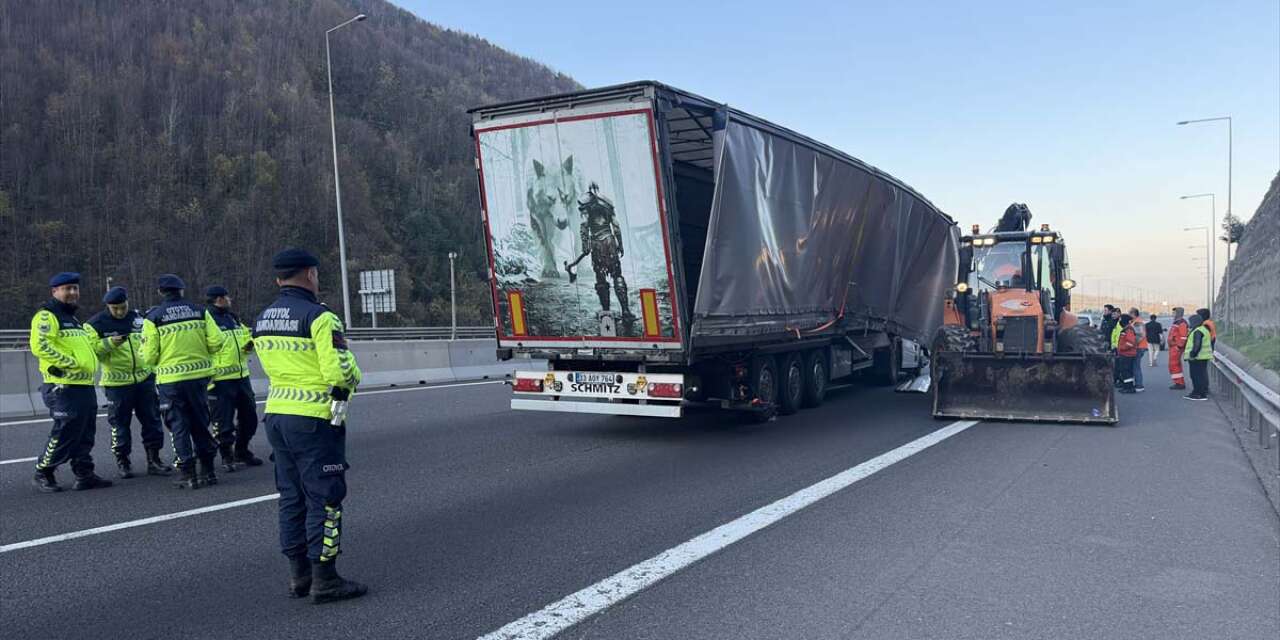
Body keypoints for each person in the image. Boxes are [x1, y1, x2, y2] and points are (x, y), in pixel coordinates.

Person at [253, 248, 367, 603]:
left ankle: (298, 576)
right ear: (310, 274)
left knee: (291, 496)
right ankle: (326, 579)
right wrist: (353, 378)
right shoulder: (321, 318)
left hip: (276, 416)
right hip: (315, 419)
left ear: (278, 279)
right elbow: (339, 371)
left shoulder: (262, 318)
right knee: (326, 498)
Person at [29, 272, 112, 492]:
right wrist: (71, 364)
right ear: (54, 291)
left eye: (75, 288)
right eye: (67, 288)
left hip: (83, 385)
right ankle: (43, 471)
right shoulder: (47, 316)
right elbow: (41, 346)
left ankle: (84, 473)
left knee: (85, 431)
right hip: (62, 386)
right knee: (65, 431)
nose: (73, 292)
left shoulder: (74, 320)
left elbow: (87, 351)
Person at [140, 274, 225, 489]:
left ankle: (188, 473)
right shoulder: (200, 311)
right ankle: (209, 471)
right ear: (182, 290)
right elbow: (217, 341)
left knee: (179, 426)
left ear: (161, 292)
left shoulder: (154, 317)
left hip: (171, 381)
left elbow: (148, 355)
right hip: (199, 379)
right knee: (200, 424)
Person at [85, 286, 172, 478]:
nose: (119, 311)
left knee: (152, 420)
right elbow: (89, 352)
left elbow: (152, 341)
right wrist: (108, 344)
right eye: (115, 308)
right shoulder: (95, 324)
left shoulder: (139, 319)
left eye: (122, 307)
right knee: (119, 425)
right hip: (117, 384)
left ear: (128, 302)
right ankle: (123, 461)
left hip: (144, 379)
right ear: (108, 306)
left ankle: (154, 459)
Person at [206, 285, 263, 469]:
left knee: (249, 417)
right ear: (218, 299)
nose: (229, 300)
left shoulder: (233, 318)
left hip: (241, 375)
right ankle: (226, 455)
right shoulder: (208, 320)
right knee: (223, 421)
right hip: (220, 380)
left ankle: (241, 450)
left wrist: (250, 344)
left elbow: (246, 335)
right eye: (226, 297)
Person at [1183, 314, 1213, 401]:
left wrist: (1192, 355)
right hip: (1203, 357)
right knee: (1201, 375)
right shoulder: (1204, 329)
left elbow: (1197, 345)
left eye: (1191, 322)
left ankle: (1198, 394)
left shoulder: (1197, 331)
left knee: (1196, 376)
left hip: (1197, 358)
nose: (1190, 324)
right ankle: (1201, 392)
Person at [1167, 307, 1189, 390]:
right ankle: (1178, 382)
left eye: (1174, 312)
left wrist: (1178, 346)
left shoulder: (1181, 323)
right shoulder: (1177, 322)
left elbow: (1183, 337)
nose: (1173, 314)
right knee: (1174, 365)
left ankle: (1179, 383)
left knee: (1174, 365)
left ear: (1178, 313)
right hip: (1174, 347)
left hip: (1176, 347)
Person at [1116, 314, 1138, 394]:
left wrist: (1122, 348)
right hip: (1125, 354)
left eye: (1120, 320)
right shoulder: (1126, 329)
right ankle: (1126, 386)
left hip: (1127, 354)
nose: (1119, 321)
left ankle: (1129, 388)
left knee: (1127, 371)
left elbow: (1130, 343)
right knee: (1125, 371)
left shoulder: (1128, 330)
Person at [1128, 308, 1147, 391]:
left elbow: (1141, 335)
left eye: (1129, 313)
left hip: (1139, 347)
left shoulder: (1138, 322)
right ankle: (1137, 384)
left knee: (1136, 366)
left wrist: (1134, 344)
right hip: (1139, 346)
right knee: (1135, 366)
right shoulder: (1135, 321)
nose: (1128, 315)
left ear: (1133, 314)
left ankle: (1139, 385)